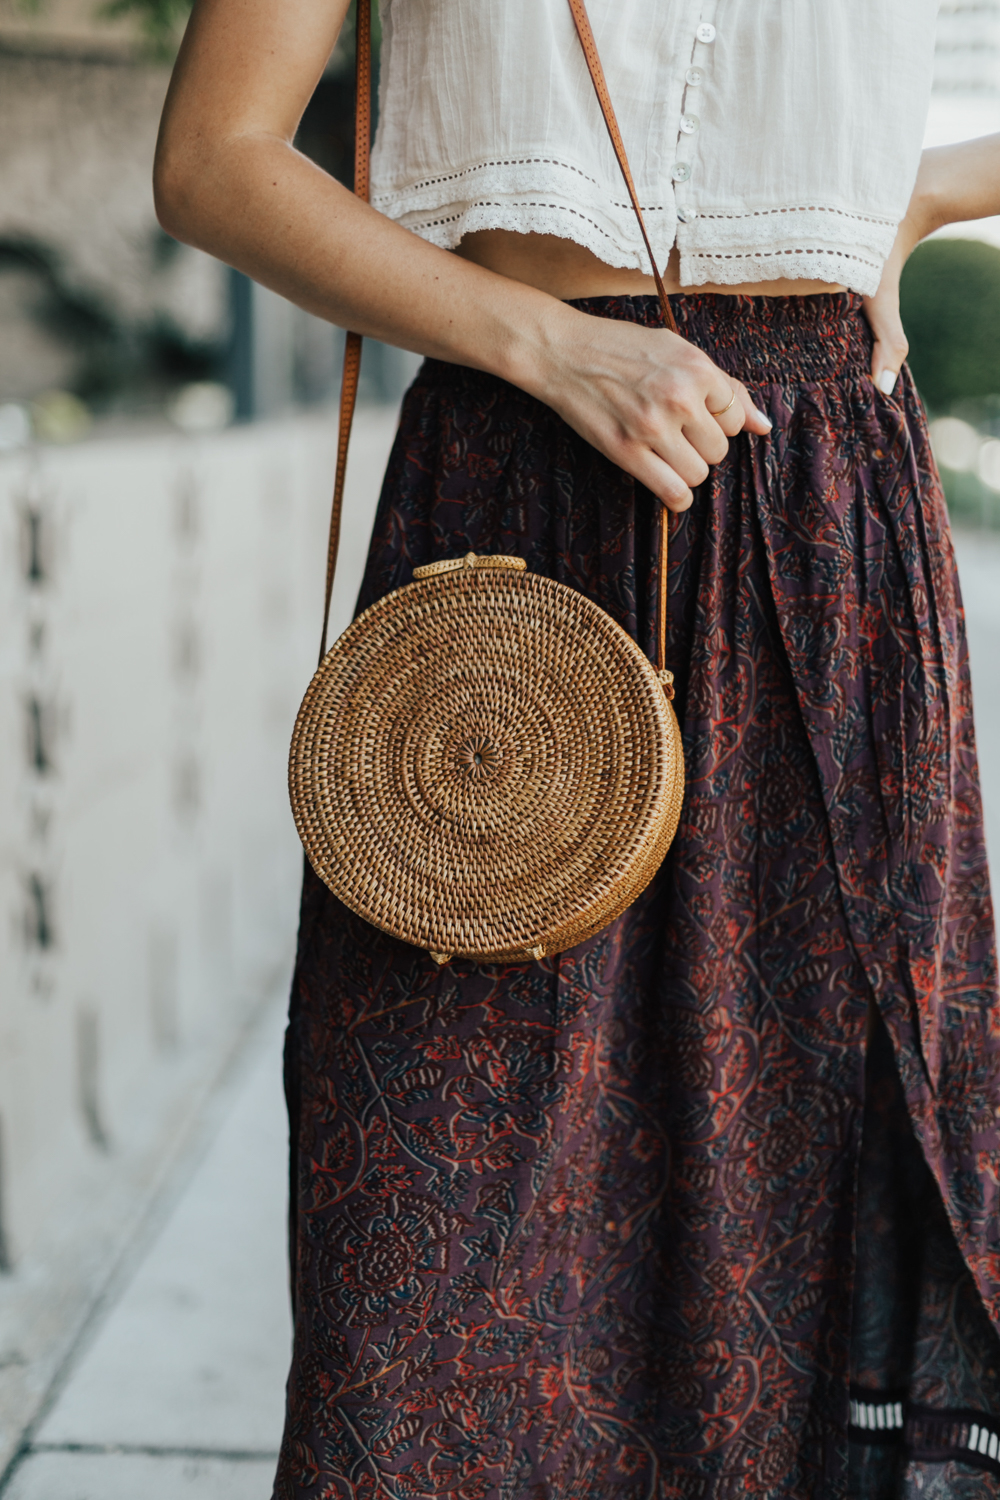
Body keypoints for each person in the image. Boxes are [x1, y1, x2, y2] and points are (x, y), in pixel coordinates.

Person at [154, 2, 1000, 1494]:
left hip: (819, 516)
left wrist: (920, 189)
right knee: (431, 1234)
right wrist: (546, 343)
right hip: (507, 518)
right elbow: (215, 159)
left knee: (791, 1213)